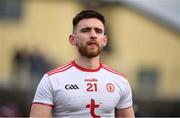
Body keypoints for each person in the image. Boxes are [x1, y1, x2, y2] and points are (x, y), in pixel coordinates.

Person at [30, 10, 135, 117]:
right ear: (73, 39)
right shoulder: (51, 80)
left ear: (104, 40)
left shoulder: (120, 81)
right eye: (86, 30)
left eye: (98, 31)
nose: (93, 35)